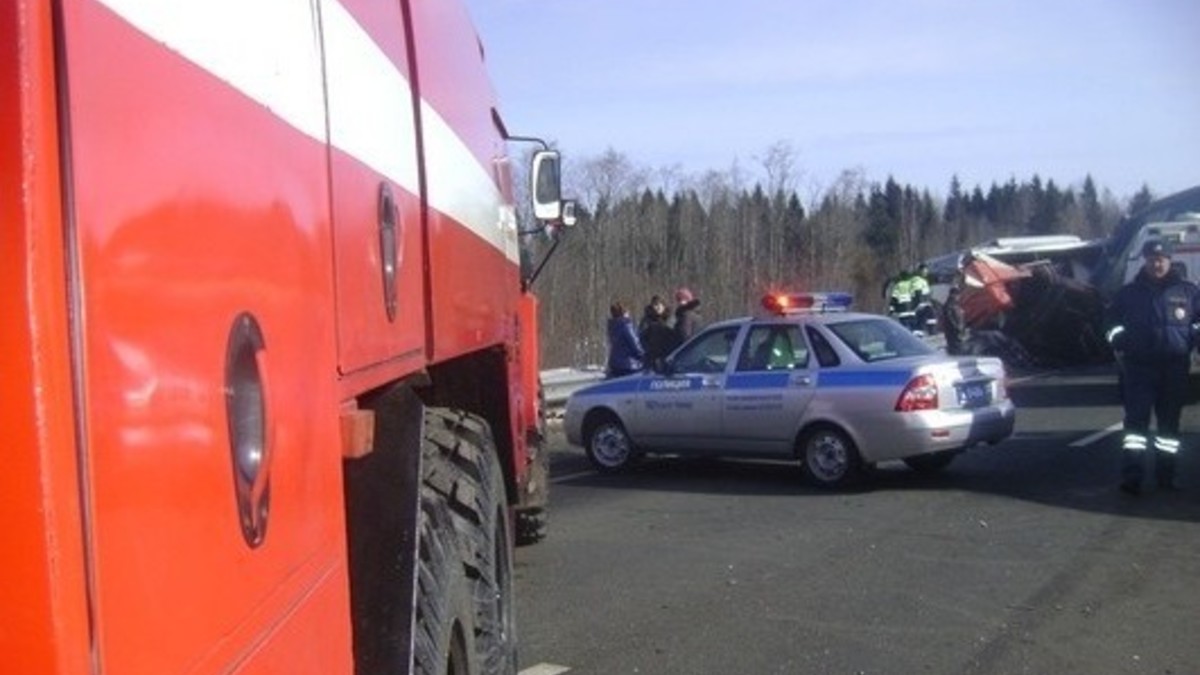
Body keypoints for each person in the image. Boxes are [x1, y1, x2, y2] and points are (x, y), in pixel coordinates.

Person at [1105, 238, 1200, 495]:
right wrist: (1119, 339)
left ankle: (1166, 477)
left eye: (1161, 259)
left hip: (1174, 368)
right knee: (1136, 424)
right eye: (1151, 259)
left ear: (1170, 260)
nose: (1156, 263)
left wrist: (1194, 341)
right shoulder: (1128, 293)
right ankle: (1132, 477)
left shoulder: (1188, 292)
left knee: (1169, 426)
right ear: (1145, 260)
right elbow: (1109, 323)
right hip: (1139, 368)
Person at [605, 301, 645, 378]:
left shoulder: (612, 326)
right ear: (624, 312)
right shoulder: (626, 325)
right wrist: (645, 357)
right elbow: (635, 344)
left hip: (615, 364)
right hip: (629, 365)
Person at [638, 295, 676, 370]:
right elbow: (641, 337)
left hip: (668, 354)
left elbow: (674, 334)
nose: (657, 307)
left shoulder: (670, 318)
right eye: (655, 305)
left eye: (659, 305)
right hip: (651, 356)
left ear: (664, 305)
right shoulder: (647, 319)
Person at [941, 284, 968, 355]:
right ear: (952, 294)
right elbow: (950, 319)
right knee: (955, 349)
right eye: (957, 294)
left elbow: (960, 318)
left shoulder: (956, 305)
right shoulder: (949, 305)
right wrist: (957, 328)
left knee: (960, 348)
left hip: (958, 331)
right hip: (952, 332)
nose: (959, 297)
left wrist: (963, 328)